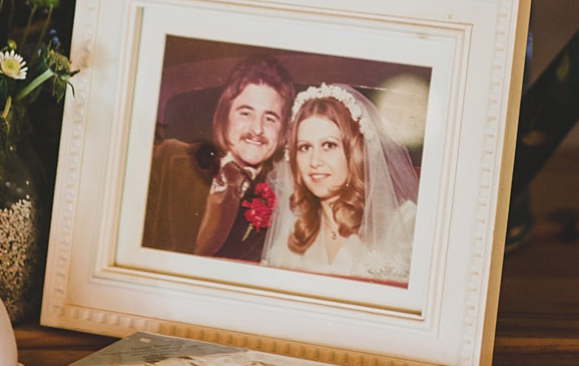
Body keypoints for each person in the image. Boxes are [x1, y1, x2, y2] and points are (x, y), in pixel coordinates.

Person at [261, 83, 419, 285]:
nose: (314, 161)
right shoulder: (292, 235)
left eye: (329, 145)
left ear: (355, 152)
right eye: (304, 147)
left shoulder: (403, 225)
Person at [142, 54, 295, 262]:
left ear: (283, 131)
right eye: (245, 113)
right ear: (225, 115)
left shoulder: (287, 199)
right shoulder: (167, 158)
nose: (257, 129)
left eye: (270, 118)